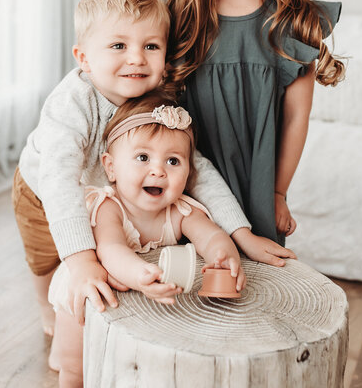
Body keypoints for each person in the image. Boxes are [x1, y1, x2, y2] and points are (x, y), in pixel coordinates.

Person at [13, 0, 290, 341]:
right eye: (118, 46)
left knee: (105, 253)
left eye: (151, 46)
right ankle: (43, 303)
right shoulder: (72, 105)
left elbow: (198, 169)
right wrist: (80, 260)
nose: (136, 58)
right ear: (83, 58)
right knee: (45, 258)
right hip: (44, 191)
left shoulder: (158, 101)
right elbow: (59, 180)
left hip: (107, 192)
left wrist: (241, 233)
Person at [167, 0, 345, 245]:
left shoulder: (295, 26)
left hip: (257, 187)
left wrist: (278, 193)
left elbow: (297, 117)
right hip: (180, 186)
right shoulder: (175, 17)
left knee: (255, 288)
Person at [48, 89, 247, 387]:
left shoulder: (180, 210)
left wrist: (224, 255)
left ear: (189, 170)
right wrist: (139, 273)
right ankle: (63, 362)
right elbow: (111, 250)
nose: (158, 170)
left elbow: (211, 235)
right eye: (143, 157)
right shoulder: (108, 207)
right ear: (111, 167)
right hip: (94, 286)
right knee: (75, 365)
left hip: (139, 296)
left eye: (173, 161)